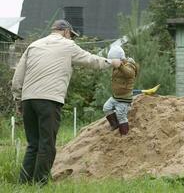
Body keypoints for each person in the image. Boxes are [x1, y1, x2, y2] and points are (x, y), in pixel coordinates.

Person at [11, 20, 122, 185]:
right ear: (65, 31)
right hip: (49, 100)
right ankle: (40, 184)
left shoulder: (33, 45)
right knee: (47, 144)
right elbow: (91, 60)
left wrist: (19, 101)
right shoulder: (67, 46)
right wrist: (112, 62)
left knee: (33, 144)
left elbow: (17, 77)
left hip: (28, 99)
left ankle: (23, 183)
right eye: (72, 35)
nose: (72, 39)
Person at [103, 46, 138, 135]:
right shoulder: (116, 67)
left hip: (124, 97)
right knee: (106, 108)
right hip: (116, 96)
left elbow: (130, 74)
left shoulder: (129, 65)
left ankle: (124, 133)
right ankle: (115, 125)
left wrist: (120, 66)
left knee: (121, 115)